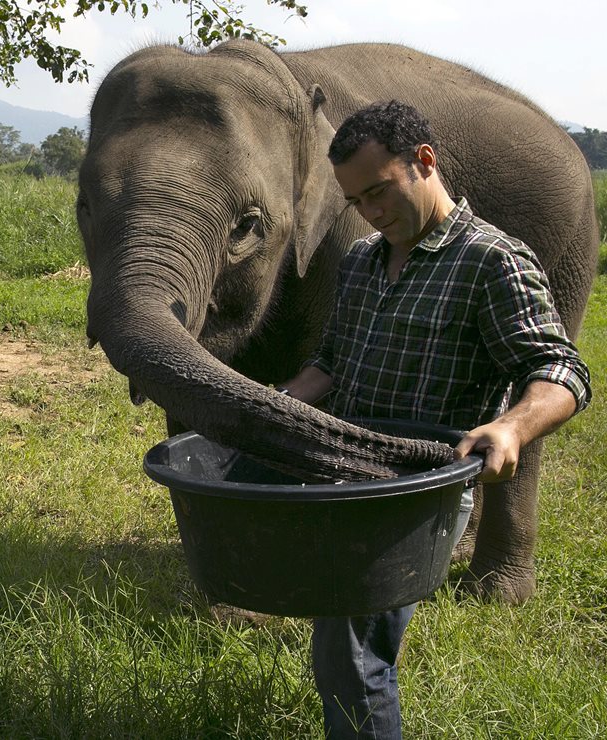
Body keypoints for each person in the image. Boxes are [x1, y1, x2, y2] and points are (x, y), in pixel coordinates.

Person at [275, 101, 590, 739]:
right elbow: (332, 360)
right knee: (344, 640)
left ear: (425, 162)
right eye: (355, 201)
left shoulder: (491, 261)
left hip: (418, 492)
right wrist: (282, 401)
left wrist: (511, 428)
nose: (370, 212)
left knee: (354, 654)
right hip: (349, 475)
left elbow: (562, 372)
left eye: (379, 191)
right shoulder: (364, 260)